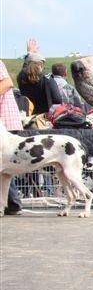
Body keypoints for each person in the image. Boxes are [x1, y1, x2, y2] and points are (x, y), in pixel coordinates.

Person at [0, 60, 24, 215]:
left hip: (5, 121)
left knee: (5, 165)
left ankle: (13, 203)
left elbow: (7, 83)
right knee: (4, 166)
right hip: (5, 123)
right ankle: (12, 203)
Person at [17, 50, 62, 115]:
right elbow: (57, 99)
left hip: (27, 114)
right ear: (40, 64)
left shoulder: (21, 78)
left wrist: (29, 54)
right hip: (44, 116)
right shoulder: (47, 78)